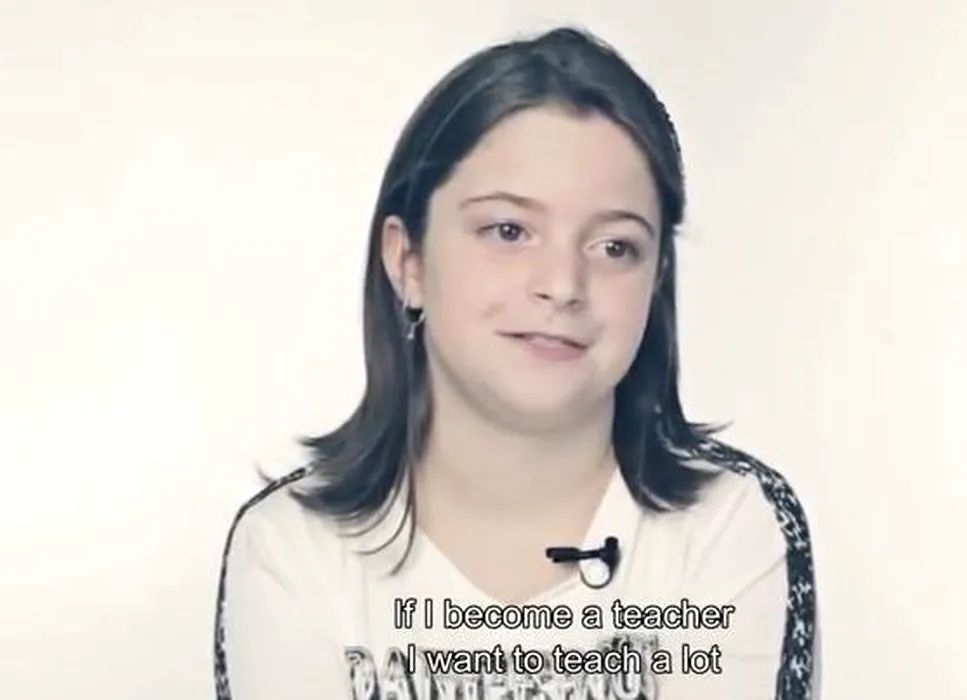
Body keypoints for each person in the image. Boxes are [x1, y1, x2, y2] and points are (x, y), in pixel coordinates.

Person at [213, 25, 818, 700]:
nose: (562, 284)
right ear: (407, 261)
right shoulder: (292, 546)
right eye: (508, 231)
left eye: (615, 247)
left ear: (656, 280)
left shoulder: (729, 525)